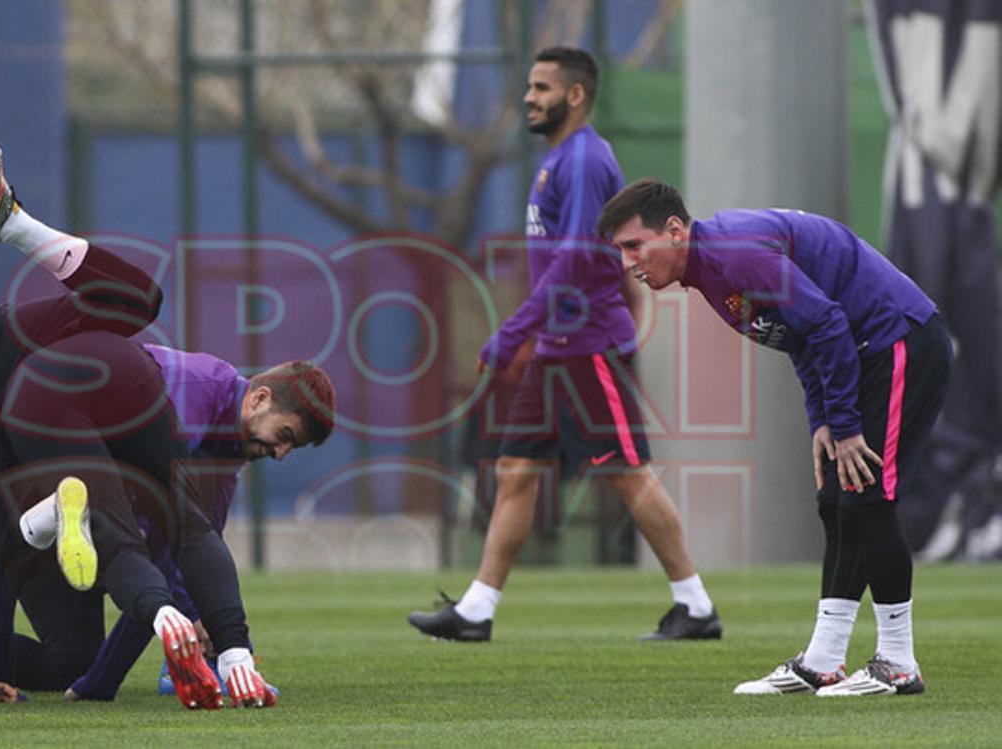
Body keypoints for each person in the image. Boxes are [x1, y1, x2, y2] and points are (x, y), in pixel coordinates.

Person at [0, 145, 334, 707]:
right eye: (288, 437)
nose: (282, 453)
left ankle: (14, 222)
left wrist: (208, 640)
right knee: (40, 540)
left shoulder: (216, 438)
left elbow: (185, 545)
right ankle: (53, 517)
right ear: (262, 398)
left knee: (139, 302)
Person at [407, 47, 719, 643]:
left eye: (542, 87)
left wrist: (511, 332)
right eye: (530, 85)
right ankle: (476, 610)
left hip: (588, 346)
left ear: (576, 95)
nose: (530, 96)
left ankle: (696, 605)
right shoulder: (559, 159)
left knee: (626, 473)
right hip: (558, 347)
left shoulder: (583, 159)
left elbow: (576, 260)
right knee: (516, 470)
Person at [599, 178, 951, 696]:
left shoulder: (733, 253)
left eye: (635, 245)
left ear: (674, 230)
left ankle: (899, 662)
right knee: (836, 503)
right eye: (621, 251)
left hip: (898, 339)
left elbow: (828, 323)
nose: (629, 261)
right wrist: (824, 421)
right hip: (863, 353)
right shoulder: (708, 271)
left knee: (867, 499)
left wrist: (848, 425)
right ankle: (824, 660)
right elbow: (800, 337)